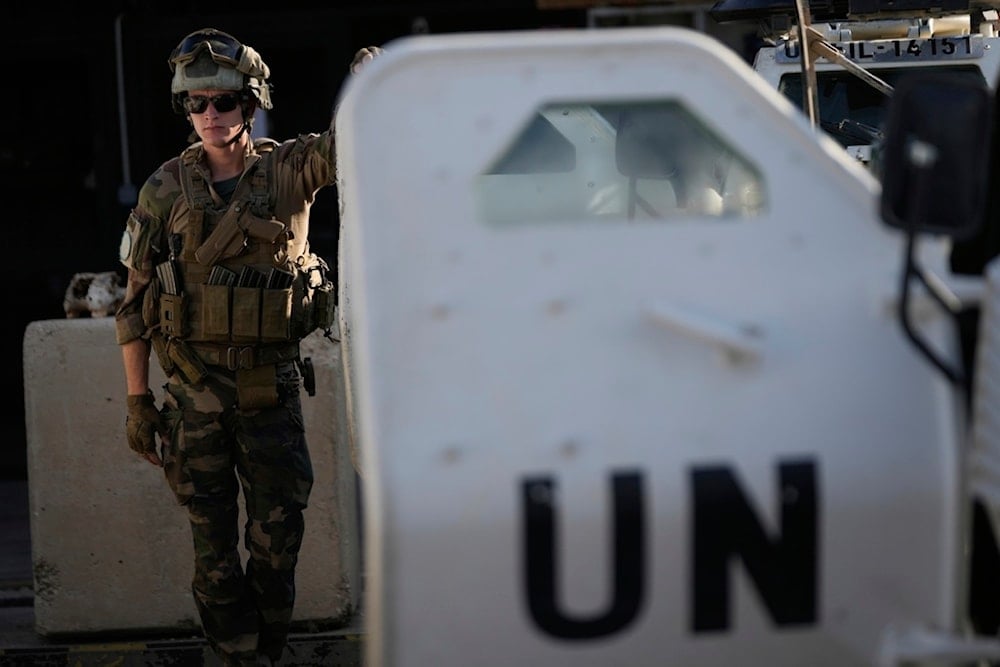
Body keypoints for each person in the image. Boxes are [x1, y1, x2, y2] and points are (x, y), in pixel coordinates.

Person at [114, 28, 380, 666]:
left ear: (251, 103)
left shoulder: (289, 170)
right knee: (212, 546)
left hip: (269, 391)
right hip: (193, 392)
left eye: (224, 102)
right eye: (196, 103)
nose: (209, 115)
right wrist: (137, 402)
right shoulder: (163, 189)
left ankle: (269, 648)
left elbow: (354, 148)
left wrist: (372, 90)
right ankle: (234, 653)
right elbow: (134, 304)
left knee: (277, 541)